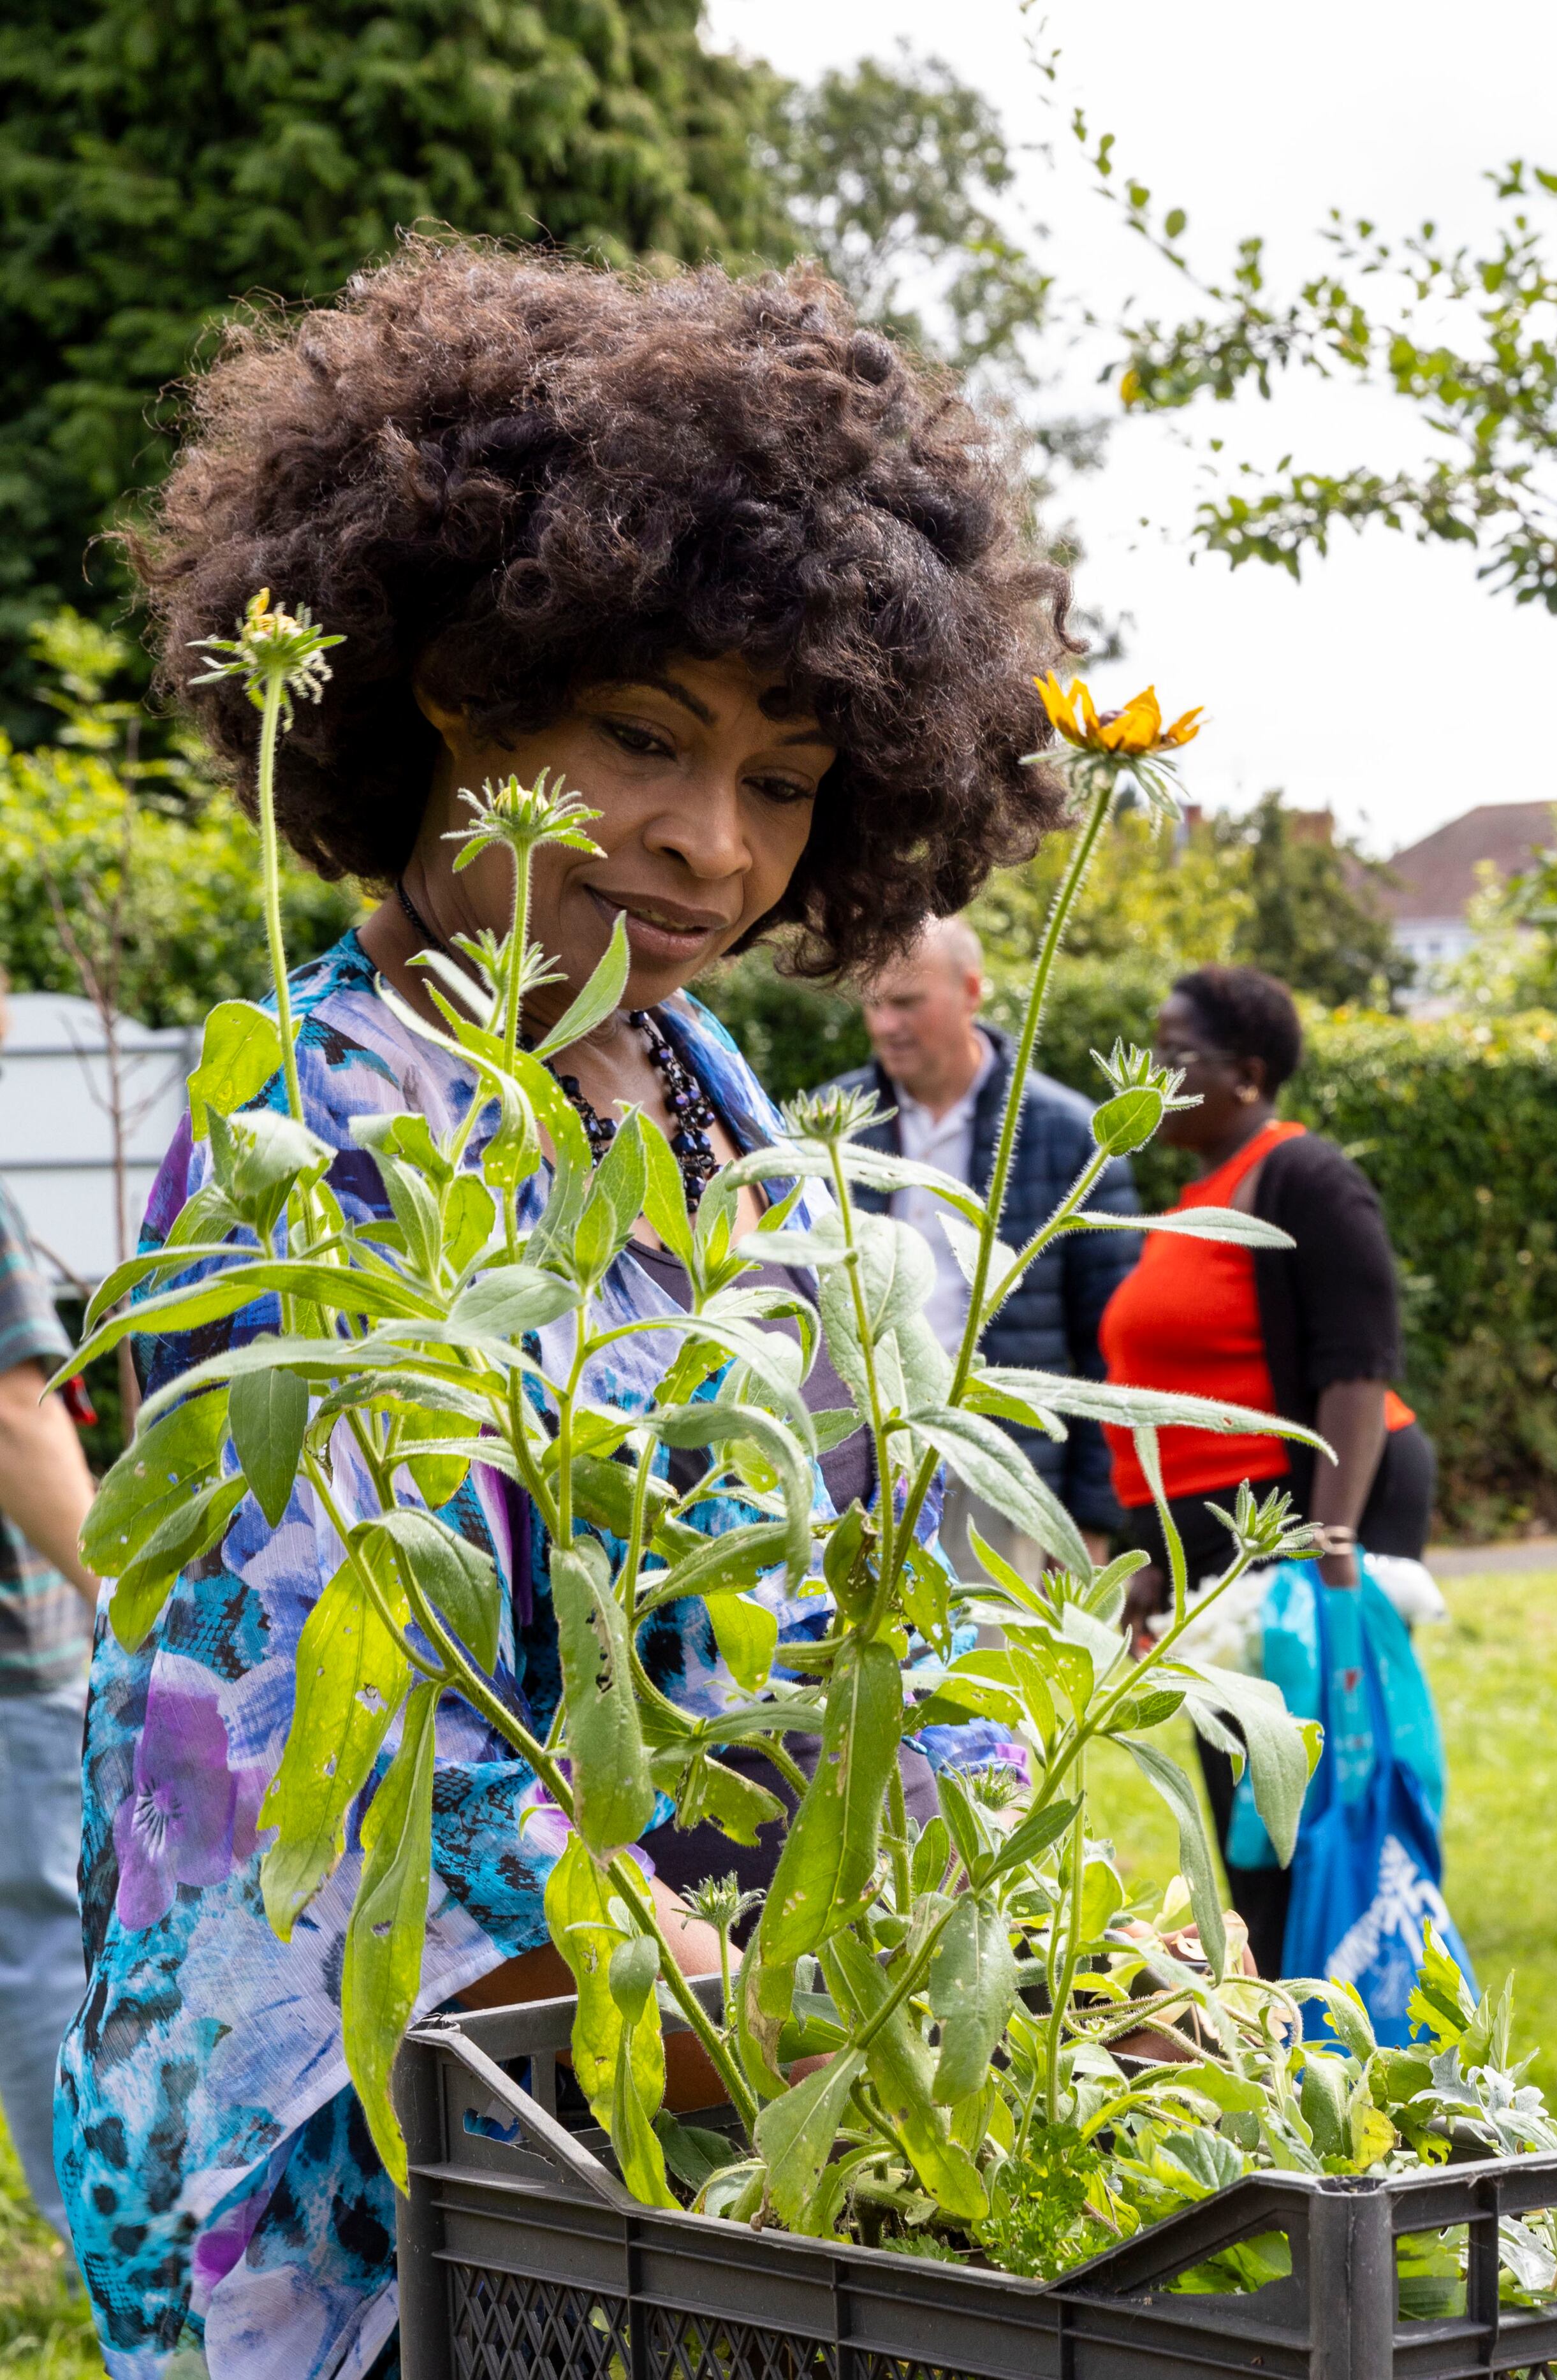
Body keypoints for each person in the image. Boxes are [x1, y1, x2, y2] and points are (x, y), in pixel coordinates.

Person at [75, 240, 1062, 2380]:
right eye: (644, 737)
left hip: (664, 2166)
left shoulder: (714, 1110)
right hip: (374, 2195)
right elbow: (364, 1758)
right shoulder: (324, 1143)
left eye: (787, 783)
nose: (710, 848)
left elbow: (862, 1597)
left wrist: (1018, 1888)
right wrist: (785, 2005)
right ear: (453, 686)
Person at [1102, 964, 1435, 1958]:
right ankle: (1283, 2014)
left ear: (1245, 1074)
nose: (1150, 1076)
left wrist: (1330, 1553)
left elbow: (1358, 1367)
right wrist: (1155, 1563)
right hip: (1221, 1535)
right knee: (1244, 1801)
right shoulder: (1204, 1191)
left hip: (1301, 1526)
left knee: (1295, 1802)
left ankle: (1337, 2002)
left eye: (1174, 1056)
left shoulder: (1305, 1175)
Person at [819, 915, 1141, 1567]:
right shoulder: (833, 1122)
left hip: (1004, 1466)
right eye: (873, 1004)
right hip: (862, 1455)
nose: (885, 1025)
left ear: (971, 991)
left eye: (907, 1001)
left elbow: (1112, 1340)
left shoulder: (1067, 1131)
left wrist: (1089, 1518)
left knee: (992, 1666)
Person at [0, 1042, 95, 2245]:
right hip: (17, 1652)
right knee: (46, 1949)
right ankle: (105, 2261)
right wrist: (132, 1597)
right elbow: (14, 1418)